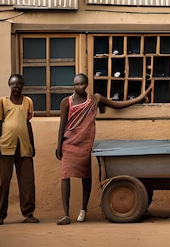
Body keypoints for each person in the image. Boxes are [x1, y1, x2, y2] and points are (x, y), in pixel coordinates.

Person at [55, 73, 152, 225]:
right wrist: (58, 145)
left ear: (86, 84)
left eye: (81, 84)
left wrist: (140, 98)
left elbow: (117, 105)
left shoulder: (94, 99)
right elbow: (62, 124)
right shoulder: (66, 102)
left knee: (85, 177)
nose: (78, 87)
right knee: (65, 176)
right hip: (68, 144)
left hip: (85, 145)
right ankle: (65, 214)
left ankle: (83, 210)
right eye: (76, 84)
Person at [0, 73, 39, 225]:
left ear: (23, 85)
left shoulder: (28, 101)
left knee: (27, 182)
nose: (15, 87)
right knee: (3, 181)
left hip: (24, 147)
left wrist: (32, 144)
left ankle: (29, 213)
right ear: (9, 85)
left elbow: (27, 124)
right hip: (6, 147)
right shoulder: (2, 102)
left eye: (18, 84)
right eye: (13, 84)